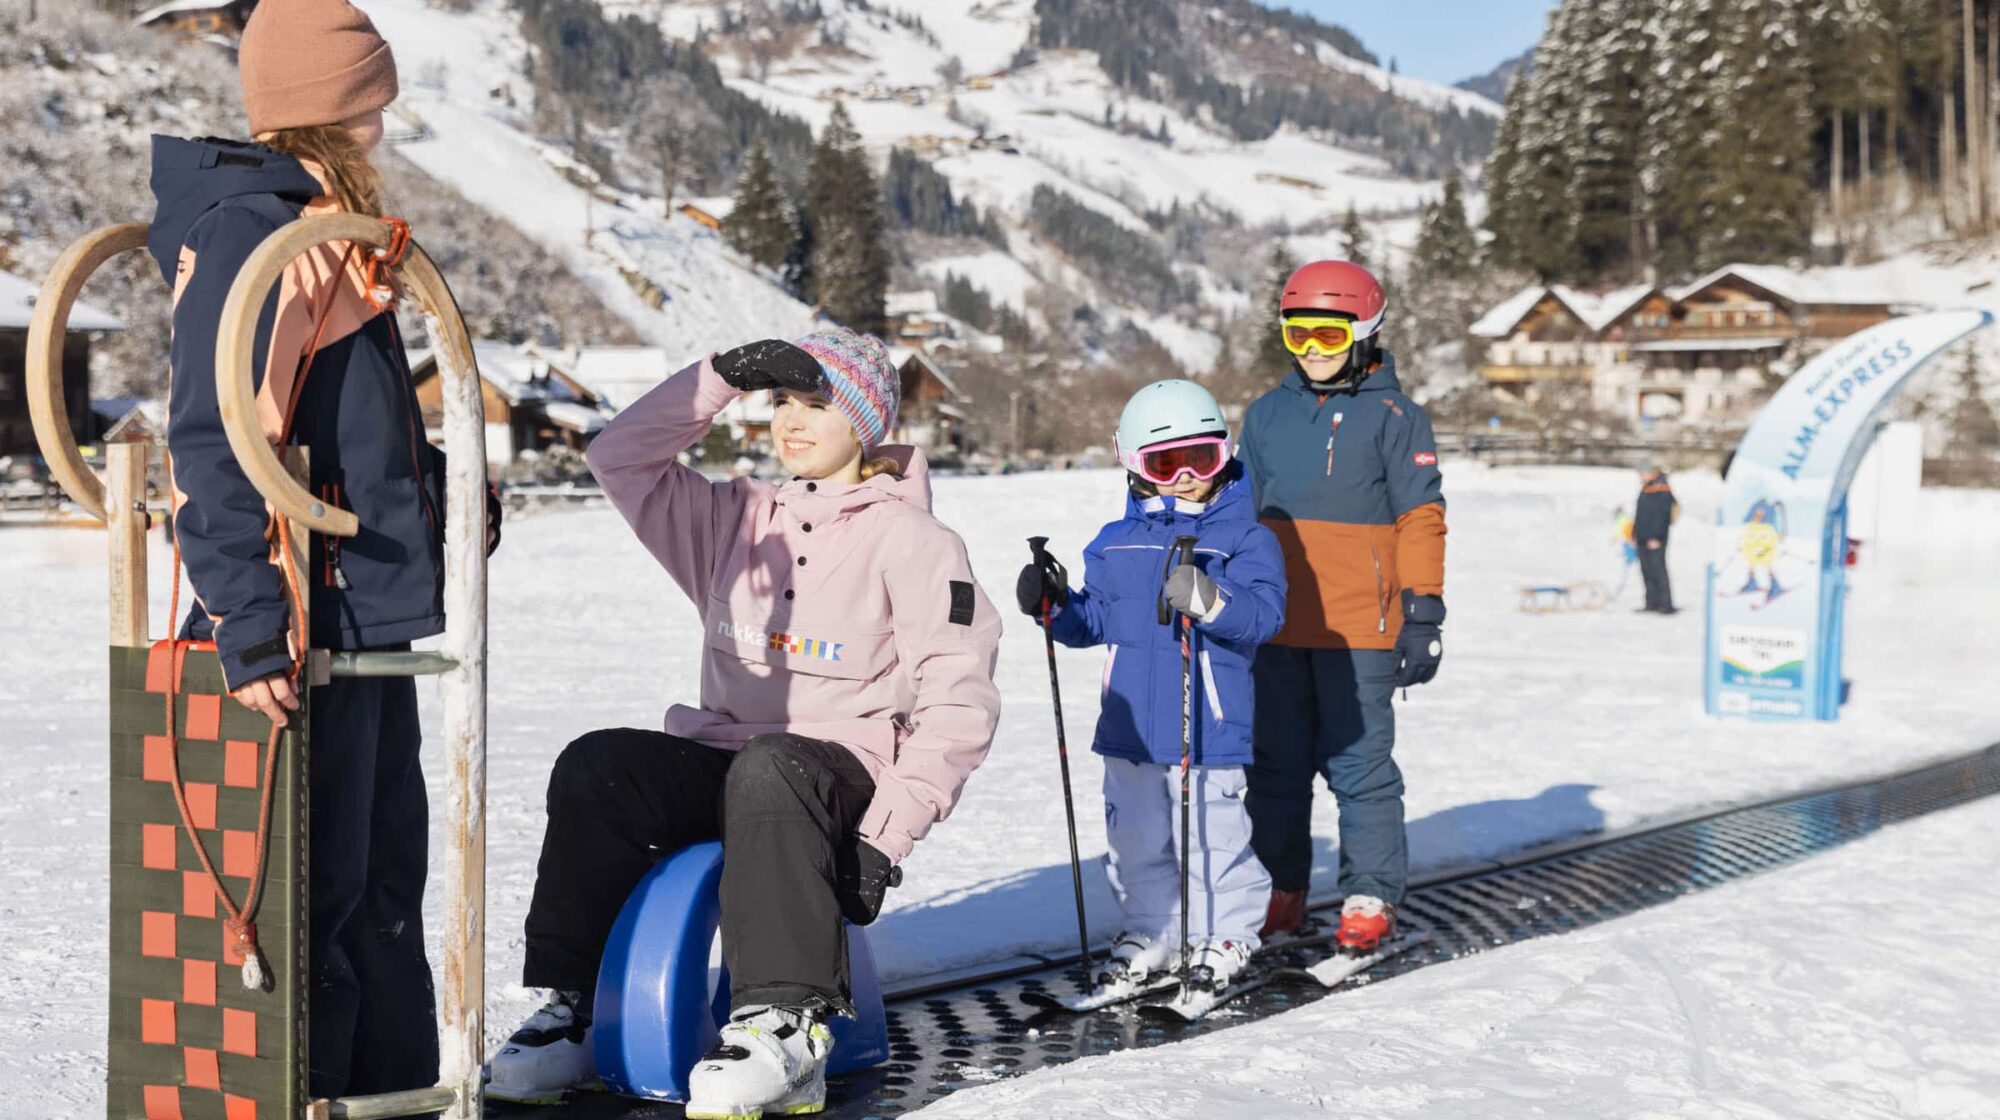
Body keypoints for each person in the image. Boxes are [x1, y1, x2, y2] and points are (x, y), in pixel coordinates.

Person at [490, 328, 1003, 1119]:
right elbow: (617, 458)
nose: (792, 421)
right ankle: (587, 1010)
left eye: (817, 403)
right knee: (601, 765)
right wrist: (719, 378)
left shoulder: (916, 542)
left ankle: (785, 1026)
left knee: (773, 766)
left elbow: (958, 704)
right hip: (734, 763)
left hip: (837, 776)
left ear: (866, 422)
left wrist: (882, 840)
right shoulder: (734, 520)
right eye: (783, 401)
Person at [151, 0, 499, 1099]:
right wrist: (251, 624)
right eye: (370, 111)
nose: (383, 132)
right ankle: (311, 1087)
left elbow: (355, 421)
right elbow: (218, 437)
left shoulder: (330, 236)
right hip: (310, 611)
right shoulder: (266, 235)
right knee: (322, 889)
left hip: (366, 607)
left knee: (388, 875)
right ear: (327, 115)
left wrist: (444, 498)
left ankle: (386, 1089)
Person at [1015, 380, 1286, 997]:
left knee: (1213, 839)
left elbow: (1265, 617)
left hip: (1208, 725)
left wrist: (1211, 599)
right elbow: (1098, 621)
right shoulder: (1115, 541)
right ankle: (1151, 929)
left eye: (1203, 459)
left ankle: (1226, 933)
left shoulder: (1246, 538)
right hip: (1130, 722)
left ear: (1225, 453)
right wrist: (1053, 607)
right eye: (1166, 463)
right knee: (1134, 837)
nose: (1187, 476)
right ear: (1134, 465)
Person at [1237, 260, 1447, 955]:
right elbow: (1240, 513)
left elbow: (1421, 515)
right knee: (1275, 766)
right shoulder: (1266, 415)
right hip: (1277, 623)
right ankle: (1280, 887)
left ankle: (1371, 891)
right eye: (1299, 336)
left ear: (1365, 331)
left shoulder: (1396, 417)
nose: (1314, 351)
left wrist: (1425, 608)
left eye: (1327, 334)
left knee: (1359, 764)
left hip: (1363, 624)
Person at [1634, 464, 1680, 614]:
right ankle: (1651, 603)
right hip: (1642, 537)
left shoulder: (1662, 489)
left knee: (1658, 570)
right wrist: (1635, 533)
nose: (1640, 477)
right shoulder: (1647, 487)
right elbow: (1642, 514)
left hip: (1655, 538)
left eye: (1642, 473)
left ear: (1651, 473)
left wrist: (1657, 537)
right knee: (1646, 570)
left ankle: (1666, 605)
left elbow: (1662, 516)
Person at [1612, 506, 1638, 599]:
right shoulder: (1626, 519)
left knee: (1627, 567)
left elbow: (1622, 532)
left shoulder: (1622, 520)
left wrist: (1615, 539)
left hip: (1629, 543)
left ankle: (1618, 589)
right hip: (1630, 544)